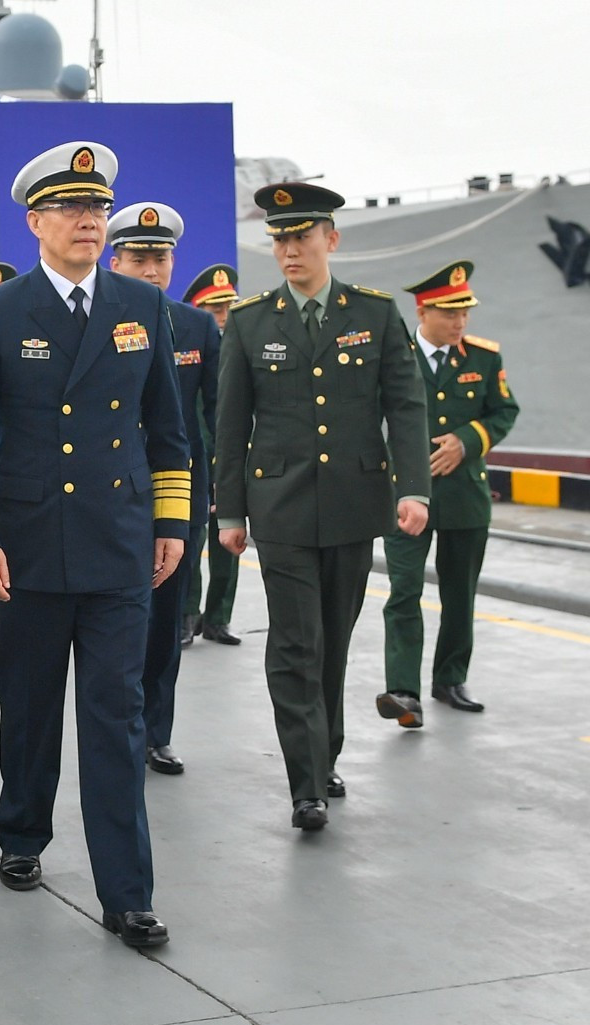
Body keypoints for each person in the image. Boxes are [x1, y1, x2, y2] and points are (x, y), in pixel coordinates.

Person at [0, 141, 189, 948]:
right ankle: (22, 833)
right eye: (71, 209)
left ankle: (128, 892)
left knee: (117, 719)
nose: (89, 220)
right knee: (31, 709)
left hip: (118, 545)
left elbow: (168, 431)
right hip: (28, 549)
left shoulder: (140, 305)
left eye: (96, 208)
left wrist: (171, 523)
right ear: (36, 222)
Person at [214, 182, 431, 832]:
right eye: (280, 240)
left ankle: (325, 753)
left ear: (330, 240)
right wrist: (229, 513)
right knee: (294, 645)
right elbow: (231, 424)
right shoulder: (251, 322)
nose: (289, 252)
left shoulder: (376, 314)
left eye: (301, 238)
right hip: (278, 508)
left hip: (352, 505)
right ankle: (305, 784)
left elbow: (407, 406)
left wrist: (413, 488)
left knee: (332, 642)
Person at [105, 201, 217, 778]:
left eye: (161, 258)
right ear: (115, 259)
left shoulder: (196, 326)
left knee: (166, 621)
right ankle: (118, 726)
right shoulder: (99, 321)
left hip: (176, 499)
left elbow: (215, 416)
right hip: (114, 495)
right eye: (140, 258)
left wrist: (220, 492)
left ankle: (156, 731)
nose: (152, 270)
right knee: (118, 624)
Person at [381, 261, 519, 719]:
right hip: (405, 495)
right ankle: (403, 691)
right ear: (423, 312)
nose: (459, 323)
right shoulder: (395, 356)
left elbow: (504, 412)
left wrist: (467, 440)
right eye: (449, 313)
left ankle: (451, 679)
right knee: (404, 592)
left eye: (465, 313)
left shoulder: (484, 358)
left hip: (465, 495)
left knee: (460, 593)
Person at [180, 263, 242, 647]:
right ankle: (187, 615)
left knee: (229, 544)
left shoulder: (239, 348)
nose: (223, 316)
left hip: (230, 460)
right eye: (215, 309)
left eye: (227, 308)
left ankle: (219, 617)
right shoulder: (190, 347)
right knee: (190, 543)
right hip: (194, 461)